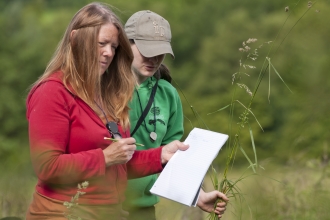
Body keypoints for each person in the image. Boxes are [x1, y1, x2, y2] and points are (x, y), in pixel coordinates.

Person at [25, 3, 190, 220]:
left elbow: (119, 163)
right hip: (63, 213)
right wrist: (103, 157)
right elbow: (47, 167)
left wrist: (160, 156)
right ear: (75, 39)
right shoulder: (52, 91)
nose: (108, 53)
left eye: (113, 47)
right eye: (102, 44)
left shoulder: (108, 94)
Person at [123, 10, 229, 219]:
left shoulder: (168, 94)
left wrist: (197, 196)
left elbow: (172, 158)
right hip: (102, 206)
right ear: (127, 44)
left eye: (160, 51)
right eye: (147, 50)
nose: (154, 58)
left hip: (143, 210)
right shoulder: (105, 87)